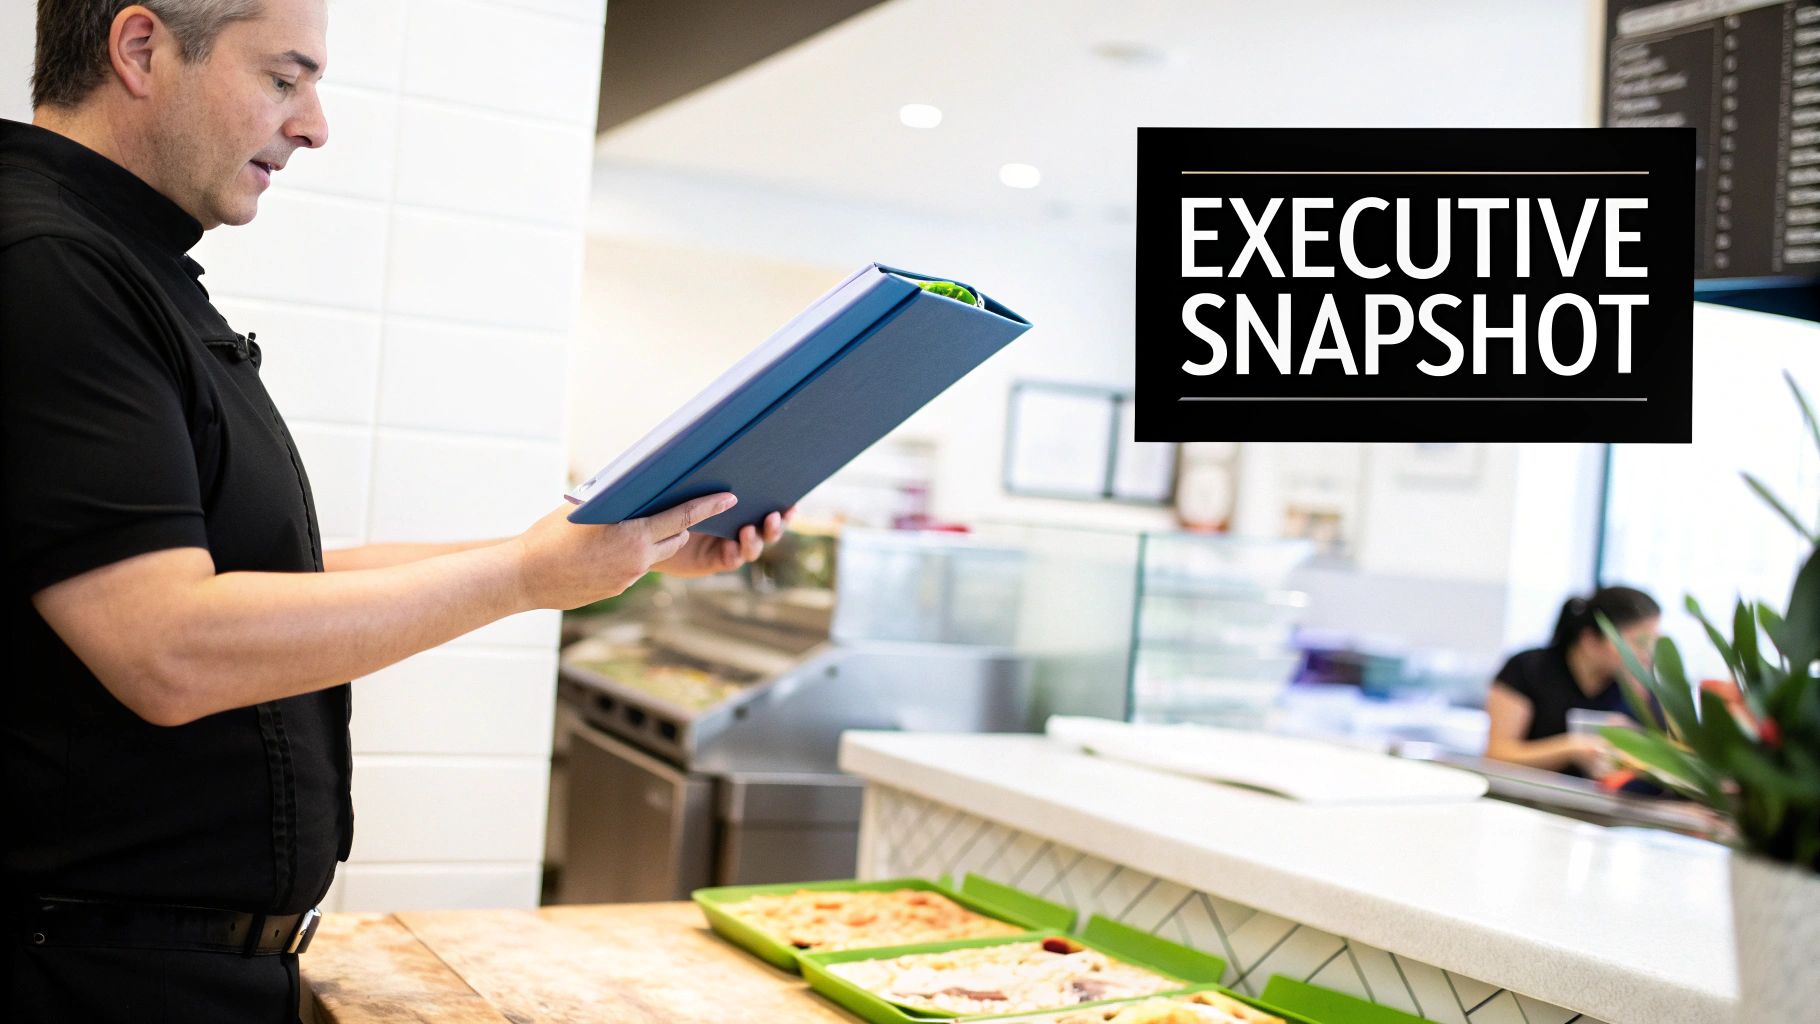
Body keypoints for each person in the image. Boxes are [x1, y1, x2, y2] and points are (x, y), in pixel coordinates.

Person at [1, 2, 786, 1020]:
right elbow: (166, 646)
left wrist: (603, 546)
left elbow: (275, 589)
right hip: (84, 978)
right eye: (284, 78)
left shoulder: (120, 263)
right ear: (141, 49)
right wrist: (524, 576)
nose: (314, 125)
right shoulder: (50, 262)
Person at [1483, 586, 1661, 778]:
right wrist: (1570, 748)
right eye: (1638, 643)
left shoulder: (1641, 689)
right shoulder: (1529, 669)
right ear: (1590, 640)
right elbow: (1497, 755)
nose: (1648, 653)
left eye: (1655, 642)